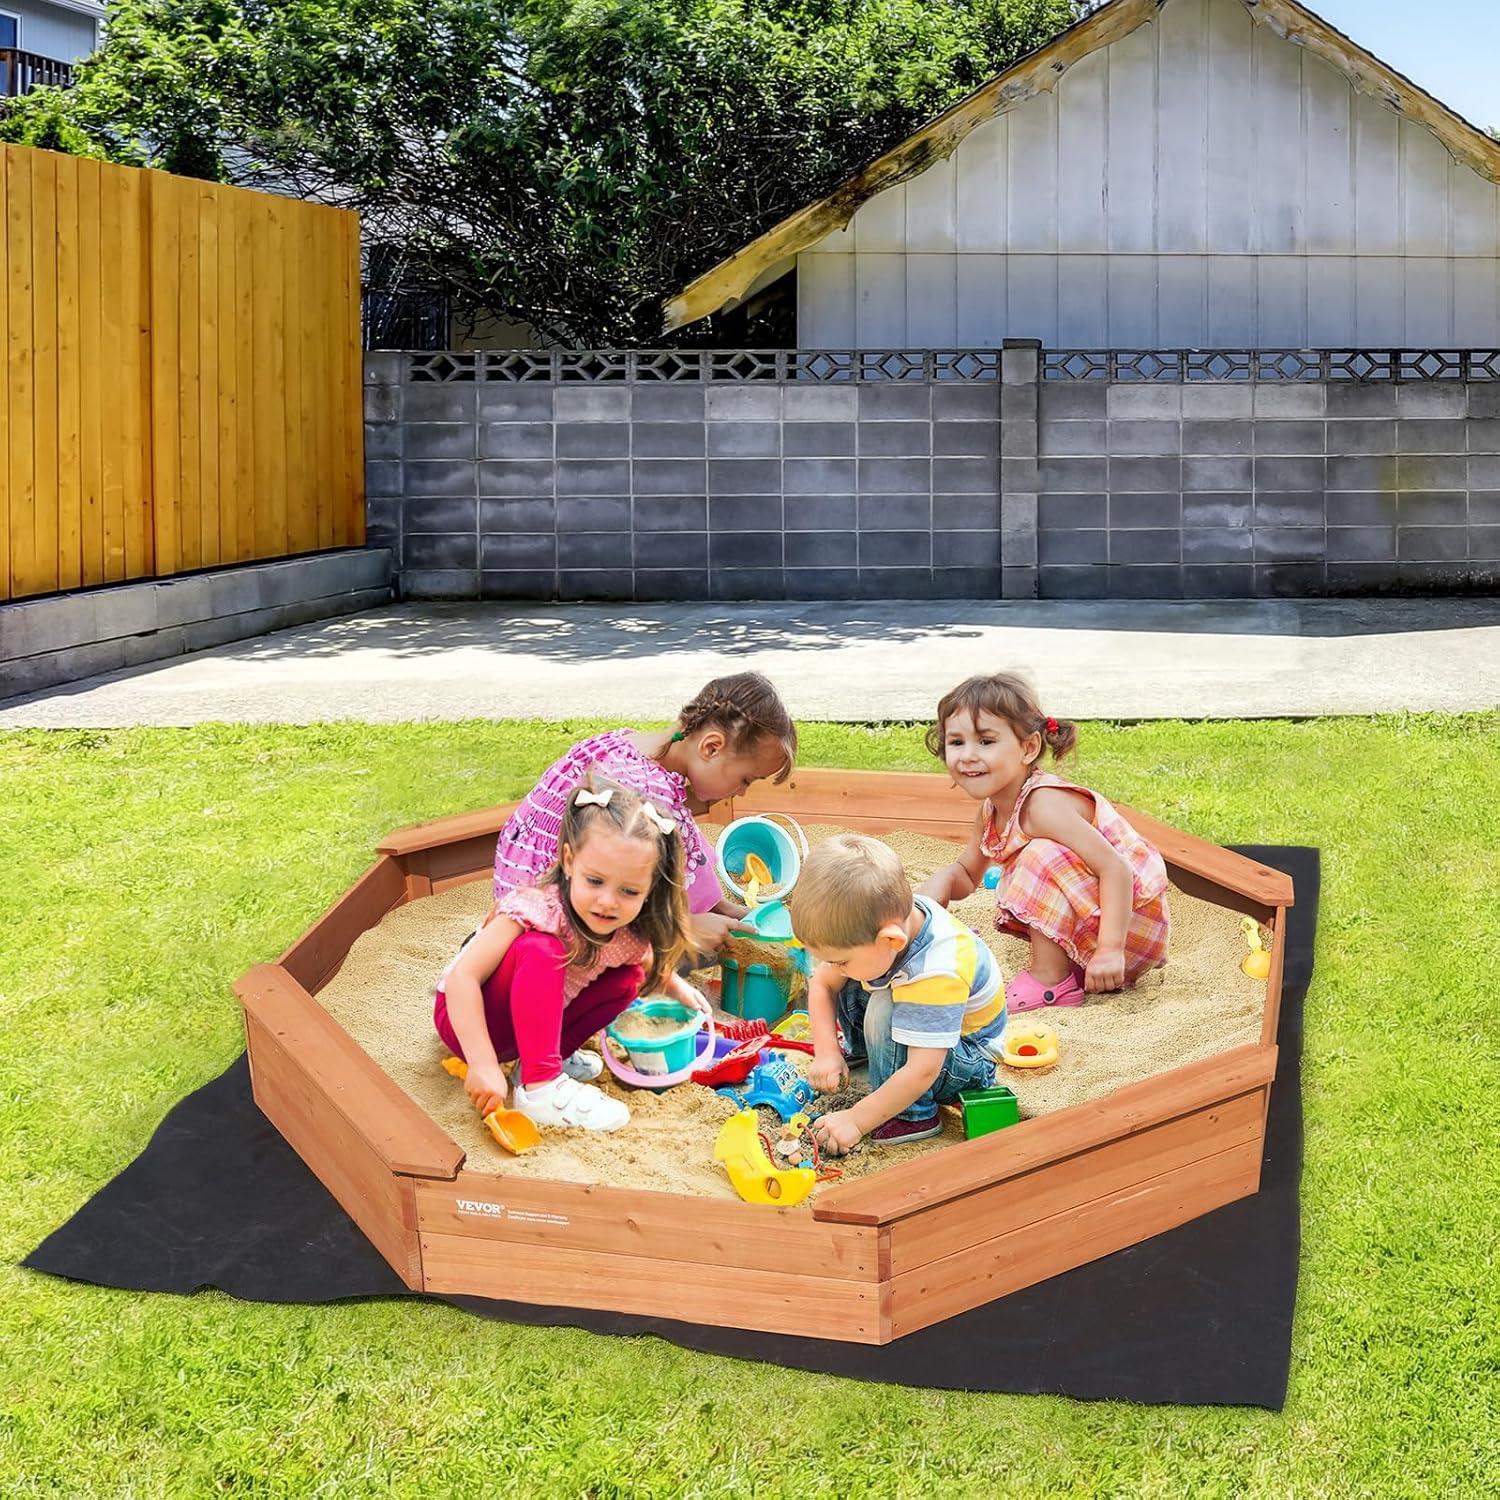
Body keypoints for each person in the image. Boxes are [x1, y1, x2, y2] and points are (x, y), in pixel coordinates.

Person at [491, 672, 797, 1081]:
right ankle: (553, 1042)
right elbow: (614, 895)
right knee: (694, 950)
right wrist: (686, 926)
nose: (741, 793)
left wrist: (719, 906)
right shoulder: (636, 788)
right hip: (555, 926)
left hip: (570, 896)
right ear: (711, 746)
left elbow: (681, 840)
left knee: (699, 923)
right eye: (746, 779)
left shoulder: (644, 750)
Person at [436, 779, 700, 1132]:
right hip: (472, 1022)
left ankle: (540, 1062)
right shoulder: (535, 908)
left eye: (629, 890)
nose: (608, 901)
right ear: (570, 861)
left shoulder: (627, 933)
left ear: (650, 889)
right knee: (543, 948)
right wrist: (483, 1065)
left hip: (523, 1033)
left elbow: (651, 965)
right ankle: (541, 1086)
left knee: (629, 978)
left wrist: (678, 989)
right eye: (595, 881)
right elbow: (462, 978)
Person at [920, 672, 1169, 1013]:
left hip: (1129, 927)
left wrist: (1111, 949)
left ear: (1029, 748)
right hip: (1096, 928)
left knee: (1039, 855)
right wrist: (939, 886)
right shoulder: (991, 809)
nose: (968, 755)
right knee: (1031, 860)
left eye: (986, 742)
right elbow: (967, 873)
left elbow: (1116, 868)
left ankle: (1051, 979)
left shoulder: (1043, 805)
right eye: (956, 742)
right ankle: (1067, 967)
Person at [798, 834, 1008, 1154]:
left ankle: (914, 1116)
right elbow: (822, 983)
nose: (834, 968)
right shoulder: (877, 933)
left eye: (839, 959)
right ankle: (870, 1055)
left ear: (891, 940)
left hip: (964, 1058)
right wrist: (827, 1051)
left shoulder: (937, 970)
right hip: (924, 1032)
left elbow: (923, 1069)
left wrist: (856, 1119)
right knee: (852, 976)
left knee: (884, 1003)